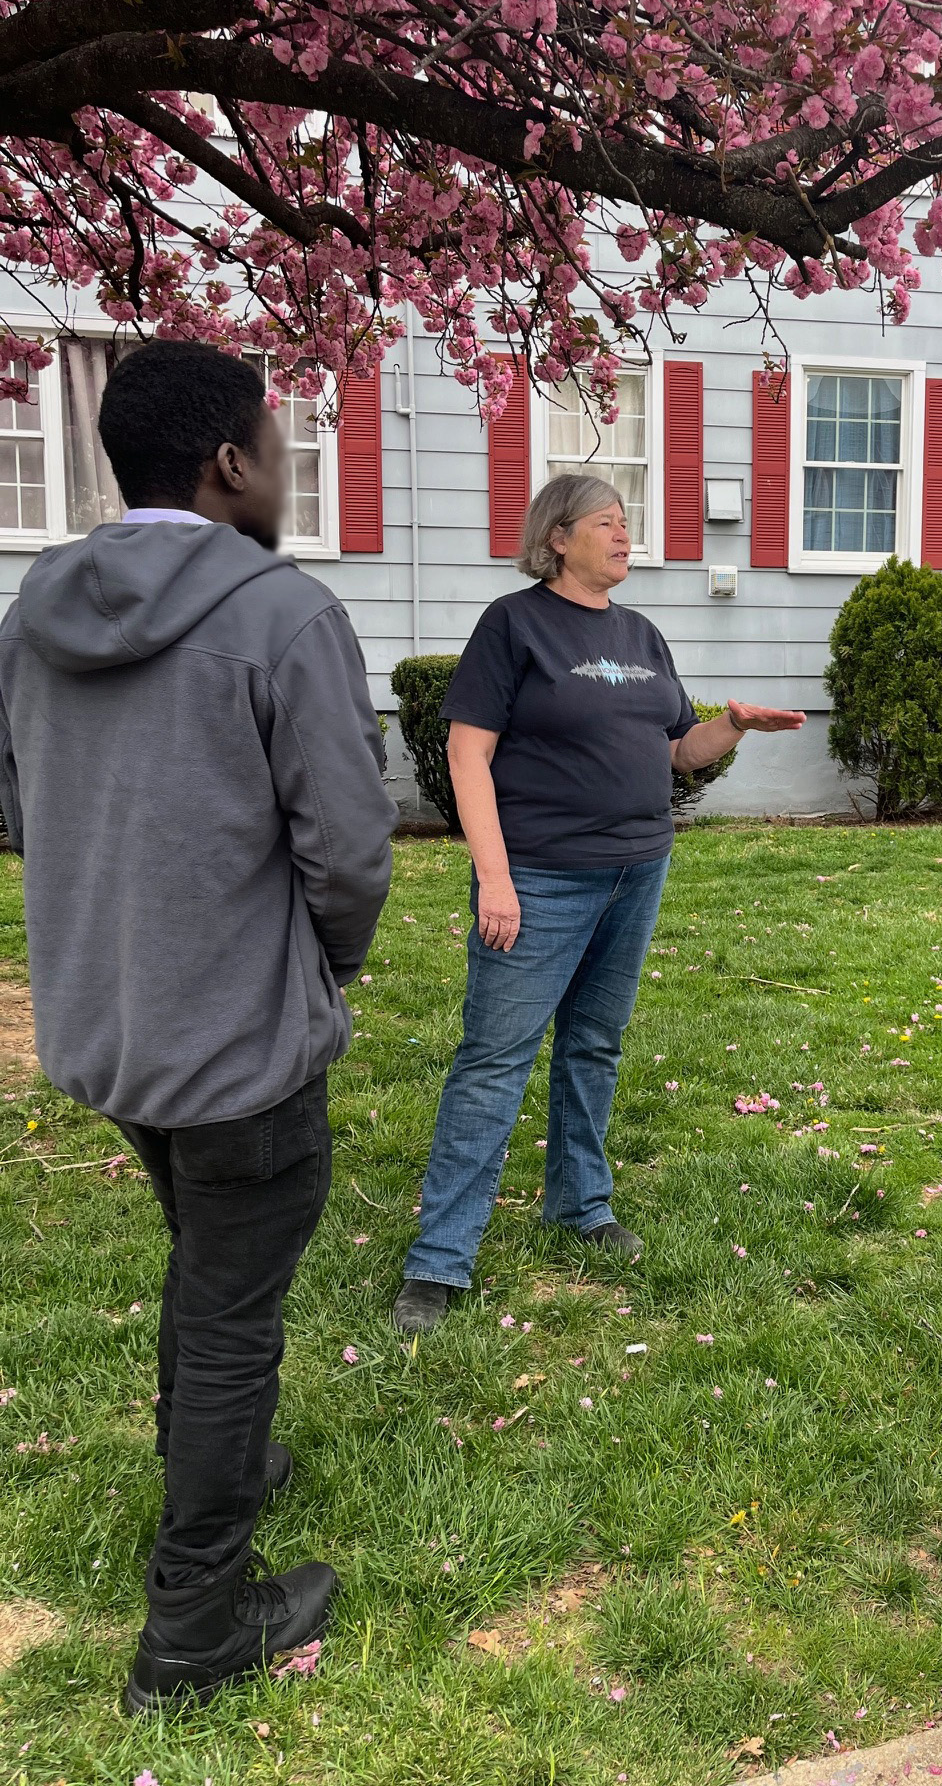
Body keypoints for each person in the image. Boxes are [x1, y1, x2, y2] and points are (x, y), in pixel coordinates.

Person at [0, 341, 396, 1711]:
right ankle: (195, 1623)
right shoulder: (284, 613)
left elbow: (18, 806)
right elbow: (350, 849)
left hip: (110, 1026)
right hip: (239, 1045)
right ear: (230, 463)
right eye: (276, 447)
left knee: (207, 1268)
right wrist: (329, 965)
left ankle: (212, 1459)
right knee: (232, 1313)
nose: (283, 470)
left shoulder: (33, 605)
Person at [392, 473, 804, 1335]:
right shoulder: (513, 626)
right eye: (607, 522)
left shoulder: (640, 633)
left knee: (594, 1044)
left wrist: (733, 725)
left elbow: (678, 749)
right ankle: (439, 1259)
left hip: (636, 871)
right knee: (494, 1059)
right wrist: (495, 877)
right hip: (540, 876)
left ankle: (580, 1205)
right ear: (557, 537)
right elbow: (467, 757)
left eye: (626, 522)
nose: (624, 534)